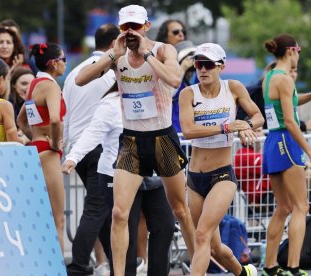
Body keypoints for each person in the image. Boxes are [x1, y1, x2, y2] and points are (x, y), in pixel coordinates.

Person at [75, 5, 195, 275]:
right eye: (126, 27)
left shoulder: (164, 50)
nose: (131, 32)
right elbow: (82, 79)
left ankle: (201, 268)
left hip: (162, 138)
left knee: (180, 210)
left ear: (146, 26)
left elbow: (175, 79)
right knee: (119, 213)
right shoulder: (117, 56)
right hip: (131, 141)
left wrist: (147, 52)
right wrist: (112, 55)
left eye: (136, 27)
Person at [62, 82, 175, 276]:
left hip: (152, 173)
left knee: (165, 225)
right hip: (117, 174)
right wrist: (73, 156)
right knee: (125, 230)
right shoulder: (110, 104)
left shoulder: (157, 97)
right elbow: (92, 133)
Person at [179, 42, 264, 276]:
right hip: (195, 178)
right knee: (214, 247)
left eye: (208, 65)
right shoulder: (188, 94)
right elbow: (188, 130)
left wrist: (245, 125)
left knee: (201, 235)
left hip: (223, 175)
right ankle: (243, 273)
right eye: (198, 64)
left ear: (222, 66)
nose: (202, 70)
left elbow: (258, 116)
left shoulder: (233, 88)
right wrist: (227, 127)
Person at [62, 23, 119, 276]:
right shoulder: (111, 72)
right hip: (98, 147)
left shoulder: (74, 73)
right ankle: (78, 265)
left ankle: (119, 265)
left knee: (104, 209)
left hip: (79, 147)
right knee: (98, 207)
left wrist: (69, 151)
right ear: (115, 43)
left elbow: (67, 116)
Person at [261, 34, 311, 276]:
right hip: (286, 140)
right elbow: (292, 122)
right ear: (292, 51)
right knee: (301, 207)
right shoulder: (285, 79)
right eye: (299, 51)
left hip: (273, 141)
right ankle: (293, 268)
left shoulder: (270, 76)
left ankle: (270, 267)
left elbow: (289, 104)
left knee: (283, 208)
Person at [17, 42, 67, 252]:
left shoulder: (35, 85)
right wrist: (55, 142)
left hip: (36, 150)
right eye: (63, 60)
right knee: (57, 221)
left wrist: (35, 138)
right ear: (54, 64)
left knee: (41, 219)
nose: (65, 64)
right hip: (48, 153)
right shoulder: (51, 86)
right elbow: (55, 119)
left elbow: (21, 121)